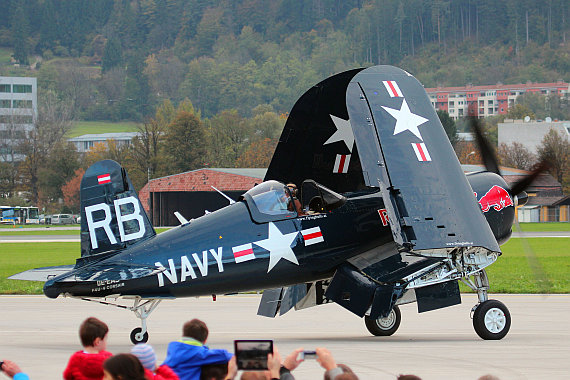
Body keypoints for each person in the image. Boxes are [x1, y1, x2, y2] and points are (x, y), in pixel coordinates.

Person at [163, 319, 233, 380]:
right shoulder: (199, 354)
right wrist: (230, 376)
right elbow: (228, 356)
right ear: (205, 340)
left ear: (183, 335)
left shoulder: (173, 349)